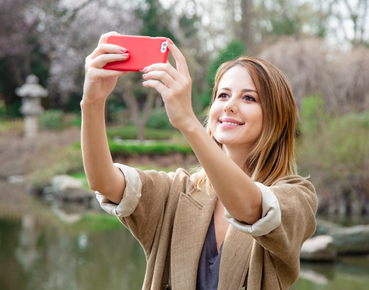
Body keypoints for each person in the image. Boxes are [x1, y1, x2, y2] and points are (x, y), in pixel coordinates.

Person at [81, 31, 318, 290]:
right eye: (223, 95)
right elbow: (104, 181)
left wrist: (186, 121)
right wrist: (93, 102)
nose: (229, 106)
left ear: (276, 117)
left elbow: (249, 209)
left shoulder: (297, 197)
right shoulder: (176, 193)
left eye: (248, 98)